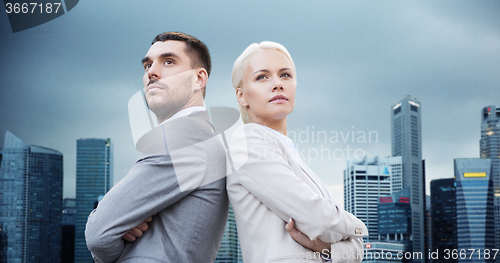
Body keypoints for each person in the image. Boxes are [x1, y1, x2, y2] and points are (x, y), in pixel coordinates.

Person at [85, 32, 229, 263]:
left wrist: (119, 239)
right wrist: (122, 224)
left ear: (198, 79)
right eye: (148, 65)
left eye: (169, 62)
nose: (151, 72)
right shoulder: (202, 136)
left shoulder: (182, 136)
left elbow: (98, 234)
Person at [226, 41, 368, 263]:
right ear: (241, 96)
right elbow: (321, 221)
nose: (277, 84)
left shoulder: (289, 153)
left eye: (285, 75)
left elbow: (357, 251)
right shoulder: (247, 142)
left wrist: (328, 246)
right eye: (262, 77)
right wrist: (359, 227)